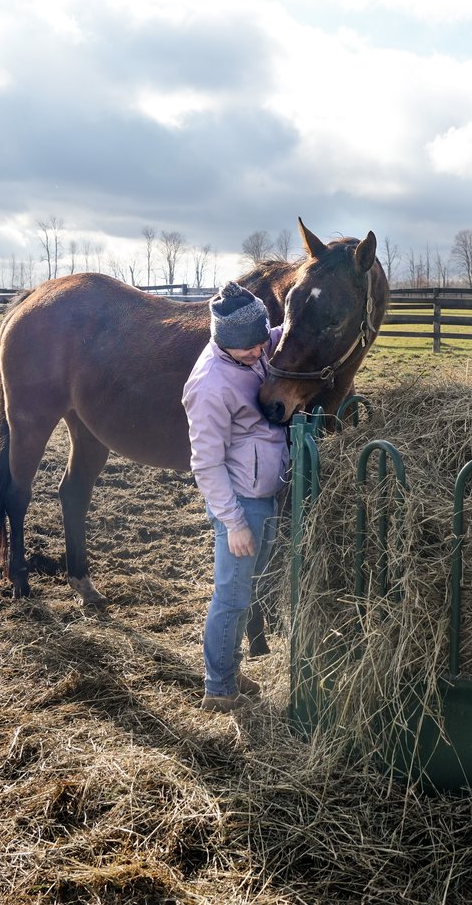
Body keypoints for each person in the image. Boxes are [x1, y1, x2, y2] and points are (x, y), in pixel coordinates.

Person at [182, 282, 289, 713]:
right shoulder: (209, 386)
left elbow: (279, 336)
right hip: (242, 502)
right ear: (224, 342)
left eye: (262, 341)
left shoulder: (255, 347)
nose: (260, 351)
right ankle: (219, 689)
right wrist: (234, 523)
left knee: (245, 592)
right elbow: (205, 464)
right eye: (249, 348)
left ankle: (229, 667)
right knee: (231, 596)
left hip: (261, 495)